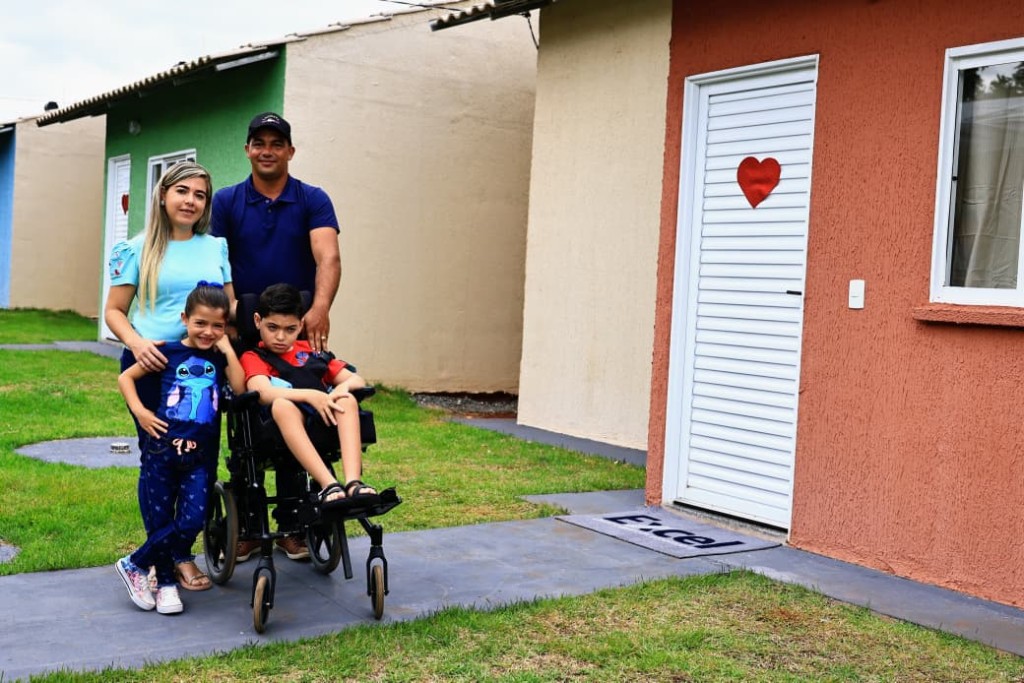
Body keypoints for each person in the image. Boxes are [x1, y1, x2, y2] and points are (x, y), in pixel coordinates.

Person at [212, 112, 342, 560]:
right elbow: (216, 261)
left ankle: (292, 526)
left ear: (290, 150)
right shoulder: (227, 201)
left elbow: (328, 257)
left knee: (299, 416)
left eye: (276, 143)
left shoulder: (312, 199)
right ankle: (248, 527)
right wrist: (229, 315)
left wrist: (319, 310)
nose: (267, 150)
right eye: (259, 143)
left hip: (296, 328)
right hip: (244, 328)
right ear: (247, 149)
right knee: (246, 428)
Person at [105, 161, 235, 590]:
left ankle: (162, 557)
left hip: (203, 372)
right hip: (153, 369)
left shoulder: (215, 247)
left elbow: (228, 310)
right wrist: (137, 342)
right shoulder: (135, 249)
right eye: (182, 191)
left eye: (200, 194)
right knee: (159, 465)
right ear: (163, 195)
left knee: (199, 461)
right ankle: (171, 560)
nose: (190, 201)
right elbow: (114, 311)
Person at [114, 283, 245, 614]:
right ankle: (166, 585)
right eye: (200, 323)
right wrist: (141, 413)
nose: (208, 331)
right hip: (162, 451)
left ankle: (134, 563)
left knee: (192, 519)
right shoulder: (167, 352)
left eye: (217, 325)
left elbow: (241, 388)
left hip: (199, 457)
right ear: (185, 319)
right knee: (161, 520)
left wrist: (228, 350)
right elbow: (126, 378)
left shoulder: (220, 358)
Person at [240, 283, 377, 513]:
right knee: (282, 405)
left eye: (290, 329)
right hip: (282, 423)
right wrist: (312, 395)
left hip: (323, 419)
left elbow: (356, 380)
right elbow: (263, 392)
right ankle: (329, 484)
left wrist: (340, 389)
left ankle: (353, 483)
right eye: (272, 327)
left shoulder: (312, 351)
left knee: (347, 399)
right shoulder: (254, 357)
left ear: (301, 325)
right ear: (257, 321)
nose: (280, 336)